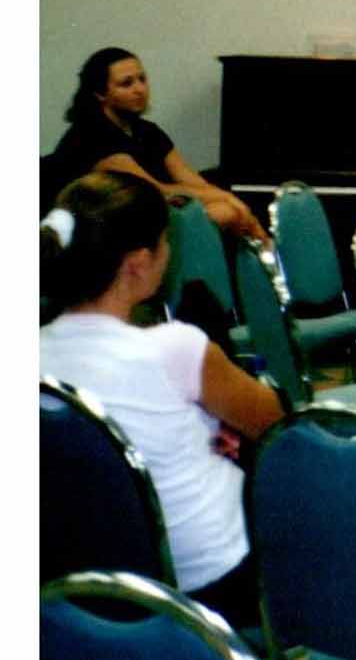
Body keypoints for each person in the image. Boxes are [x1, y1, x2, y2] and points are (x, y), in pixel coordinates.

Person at [39, 171, 285, 629]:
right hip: (209, 575)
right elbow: (276, 427)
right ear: (138, 264)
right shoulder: (175, 348)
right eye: (165, 242)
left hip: (82, 581)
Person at [49, 47, 269, 242]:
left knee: (228, 211)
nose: (139, 89)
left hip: (143, 218)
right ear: (100, 93)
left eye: (142, 79)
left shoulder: (147, 130)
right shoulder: (92, 134)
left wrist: (231, 202)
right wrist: (229, 198)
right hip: (98, 233)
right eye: (127, 83)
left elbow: (192, 181)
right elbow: (155, 192)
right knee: (226, 212)